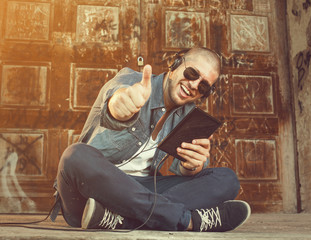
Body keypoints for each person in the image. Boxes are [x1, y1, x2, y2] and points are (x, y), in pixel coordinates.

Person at [53, 47, 251, 232]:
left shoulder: (188, 115)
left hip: (138, 190)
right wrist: (119, 106)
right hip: (92, 191)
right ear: (175, 65)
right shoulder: (133, 81)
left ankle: (123, 221)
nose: (193, 85)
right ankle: (188, 221)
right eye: (192, 73)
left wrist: (192, 166)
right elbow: (116, 97)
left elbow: (184, 170)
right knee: (75, 156)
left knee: (227, 180)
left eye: (204, 86)